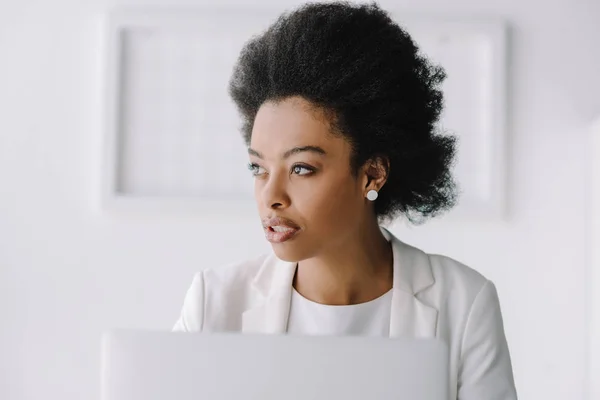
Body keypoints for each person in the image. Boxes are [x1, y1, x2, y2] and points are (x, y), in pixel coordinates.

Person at [173, 2, 517, 399]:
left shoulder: (464, 302)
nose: (271, 197)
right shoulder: (214, 303)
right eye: (258, 169)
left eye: (301, 168)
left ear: (372, 173)